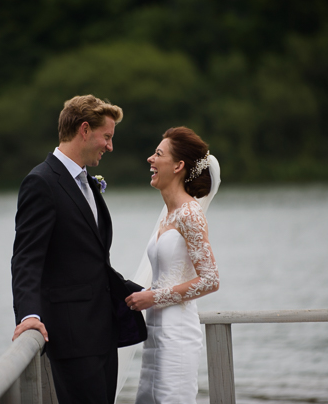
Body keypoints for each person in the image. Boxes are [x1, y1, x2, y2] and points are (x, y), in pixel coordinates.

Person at [11, 94, 147, 404]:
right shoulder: (41, 182)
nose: (110, 146)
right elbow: (27, 259)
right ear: (84, 130)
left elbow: (92, 257)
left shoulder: (86, 182)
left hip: (102, 333)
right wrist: (29, 315)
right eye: (107, 136)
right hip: (71, 337)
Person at [125, 126, 220, 404]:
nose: (150, 160)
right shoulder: (169, 215)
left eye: (158, 154)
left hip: (177, 334)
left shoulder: (190, 213)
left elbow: (210, 280)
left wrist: (152, 297)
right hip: (154, 333)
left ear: (178, 166)